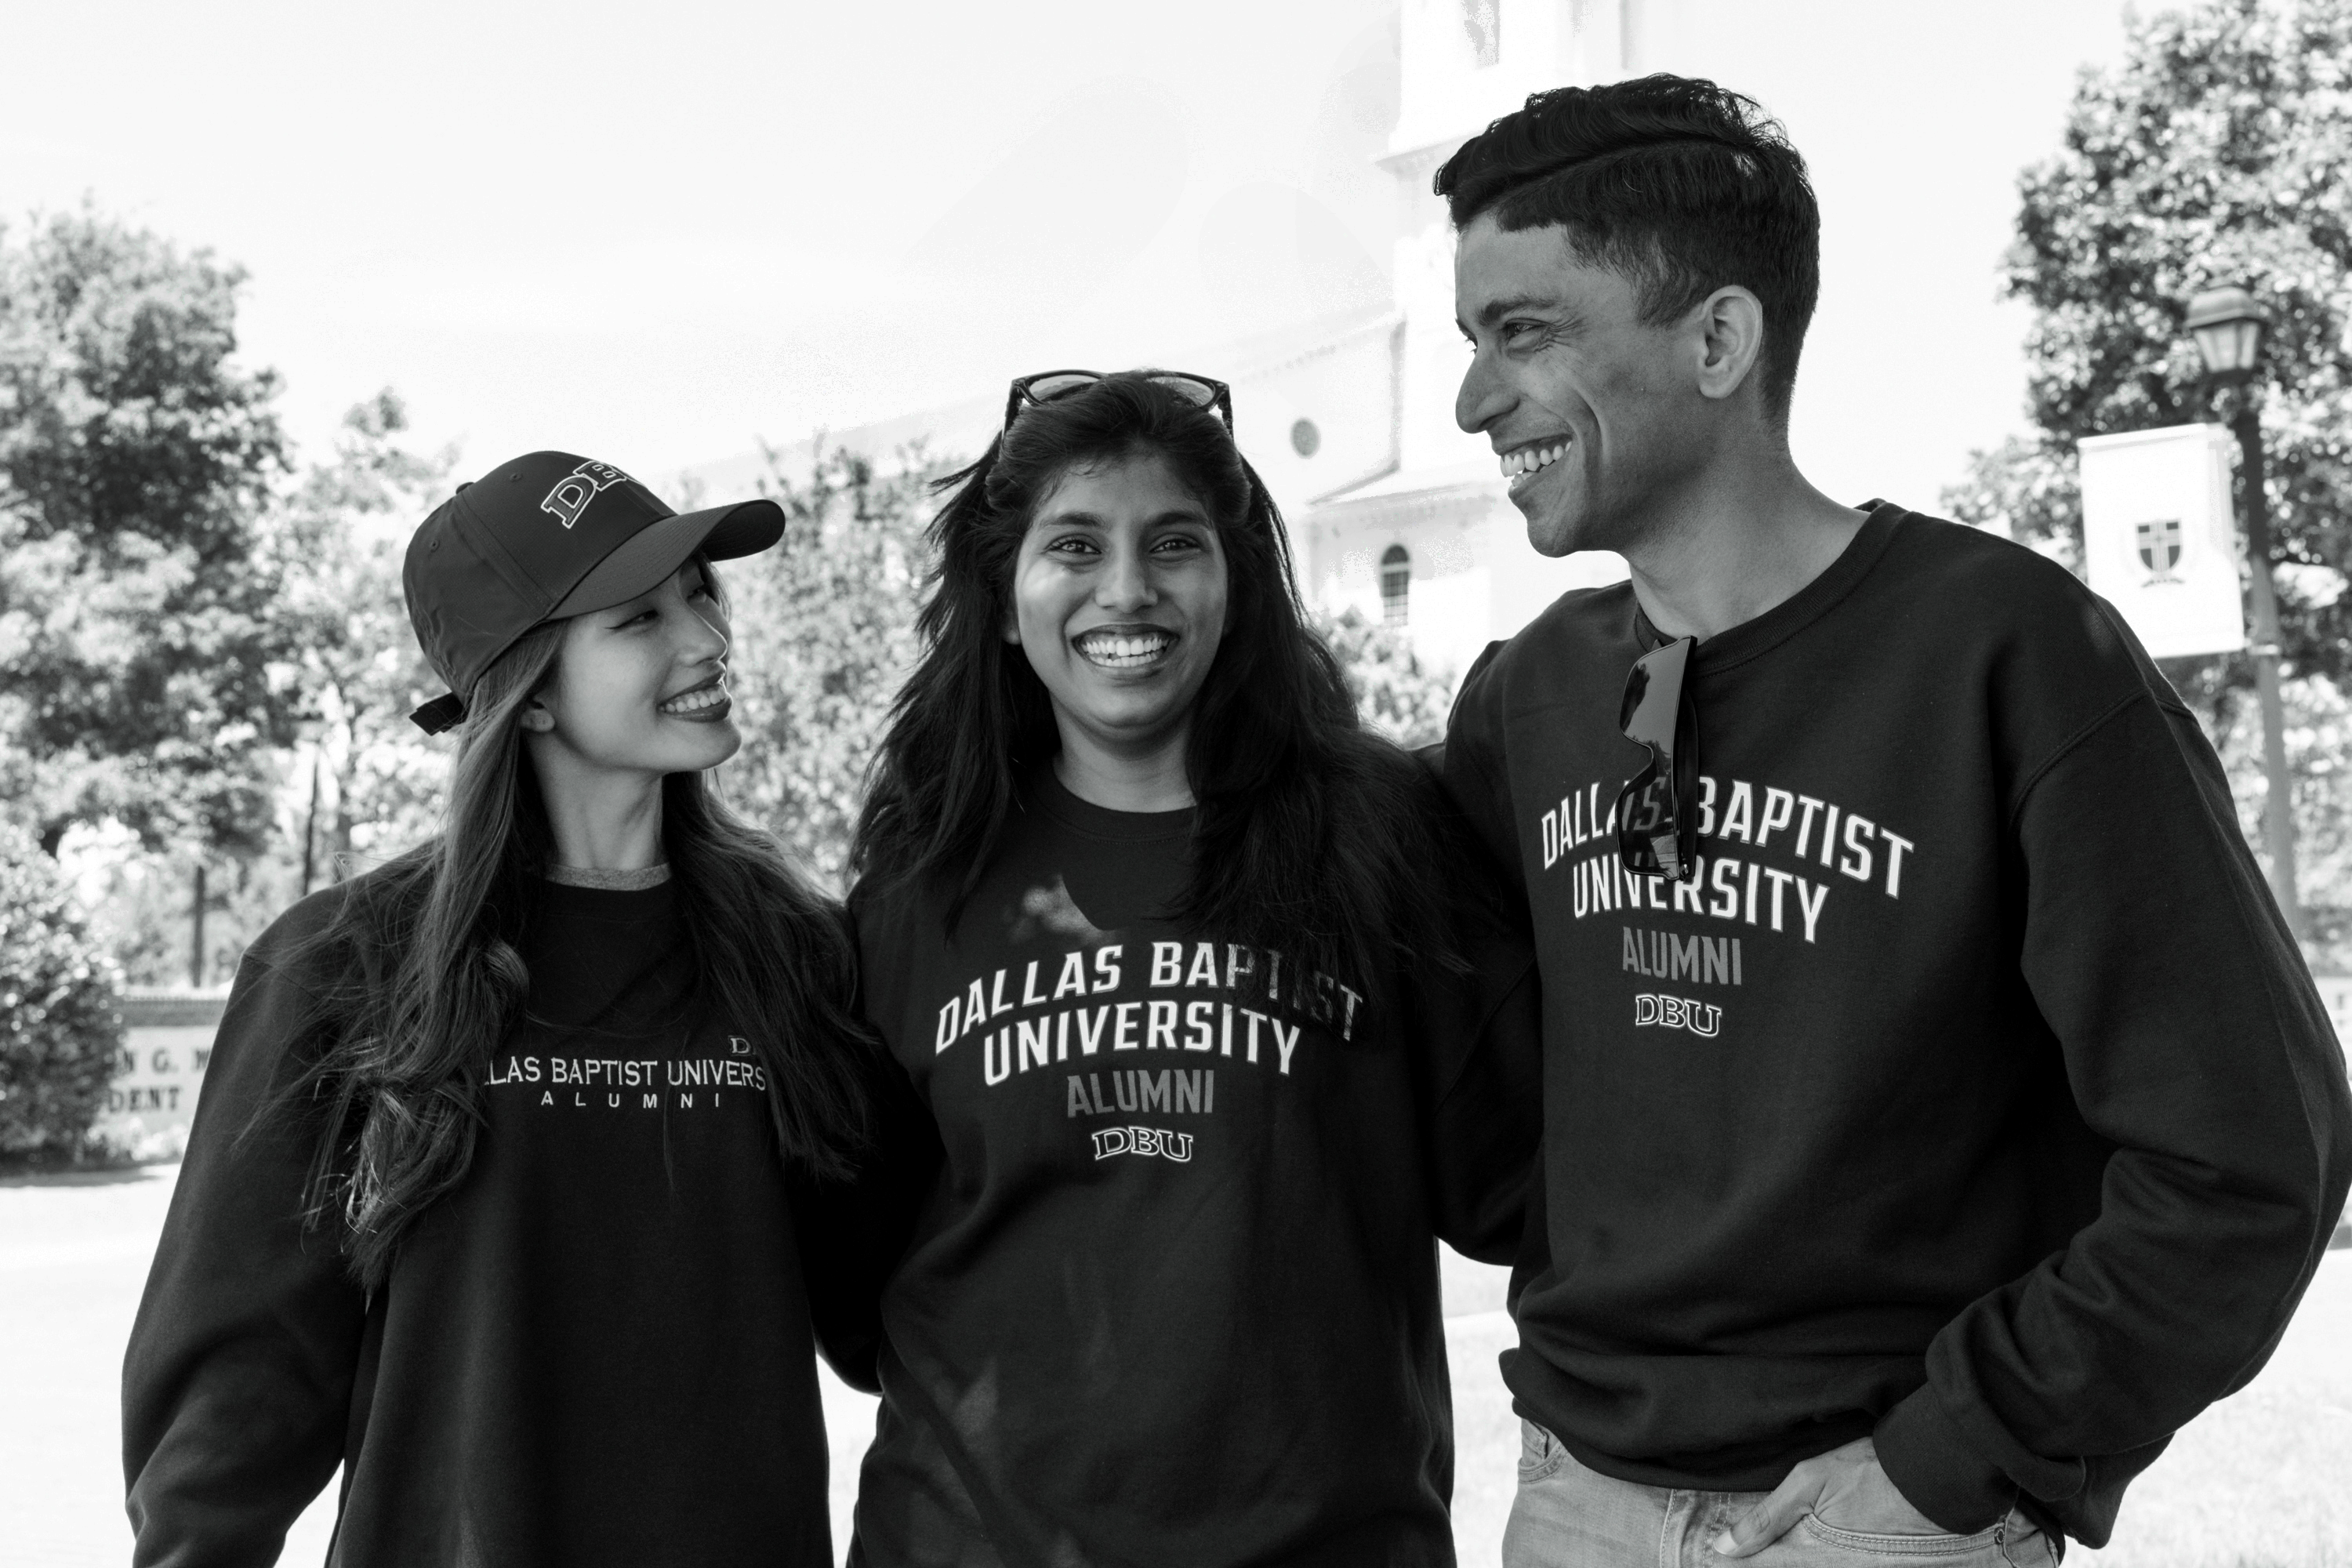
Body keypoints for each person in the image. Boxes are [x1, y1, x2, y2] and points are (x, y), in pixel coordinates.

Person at [1435, 74, 2352, 1567]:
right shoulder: (1528, 702)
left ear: (1719, 339)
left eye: (1524, 333)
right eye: (1475, 341)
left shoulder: (2012, 656)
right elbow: (1460, 1074)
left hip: (1879, 1519)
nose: (1475, 400)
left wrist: (1954, 1459)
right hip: (1574, 1502)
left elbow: (2252, 1154)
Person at [122, 452, 877, 1566]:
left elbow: (888, 1305)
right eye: (638, 619)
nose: (707, 640)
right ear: (525, 696)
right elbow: (242, 1376)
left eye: (701, 595)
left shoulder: (796, 951)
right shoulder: (345, 966)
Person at [841, 370, 1541, 1566]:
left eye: (1175, 543)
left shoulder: (1379, 834)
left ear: (1236, 589)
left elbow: (1522, 1188)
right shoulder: (923, 884)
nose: (1128, 589)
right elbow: (858, 1289)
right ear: (1007, 603)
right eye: (1075, 545)